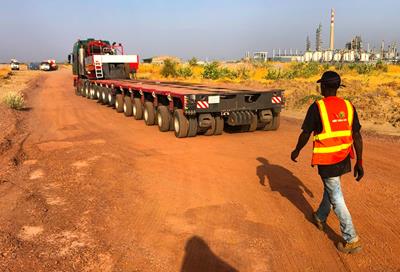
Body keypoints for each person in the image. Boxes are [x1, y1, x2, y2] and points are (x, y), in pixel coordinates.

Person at [290, 71, 364, 254]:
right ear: (338, 87)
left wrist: (296, 150)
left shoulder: (317, 107)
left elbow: (305, 133)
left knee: (336, 196)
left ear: (323, 86)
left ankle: (351, 238)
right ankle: (320, 216)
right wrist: (359, 162)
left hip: (327, 160)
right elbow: (357, 135)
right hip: (344, 158)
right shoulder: (348, 106)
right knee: (331, 189)